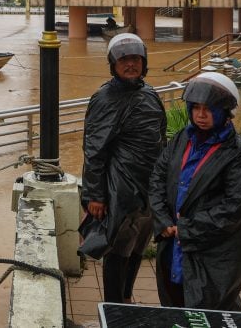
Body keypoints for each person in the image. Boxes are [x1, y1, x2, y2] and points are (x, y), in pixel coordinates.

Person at [149, 72, 241, 311]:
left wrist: (186, 229)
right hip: (173, 247)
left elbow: (234, 209)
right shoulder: (182, 138)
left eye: (209, 109)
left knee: (211, 311)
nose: (201, 115)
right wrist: (163, 220)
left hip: (213, 255)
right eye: (196, 108)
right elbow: (158, 177)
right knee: (175, 307)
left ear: (225, 112)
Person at [79, 33, 167, 304]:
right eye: (124, 59)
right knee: (118, 251)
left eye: (136, 59)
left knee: (137, 248)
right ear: (113, 64)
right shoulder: (106, 98)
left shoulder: (149, 93)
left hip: (148, 188)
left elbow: (160, 138)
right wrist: (95, 195)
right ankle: (114, 306)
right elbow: (94, 150)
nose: (131, 64)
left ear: (144, 62)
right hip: (121, 187)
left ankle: (126, 299)